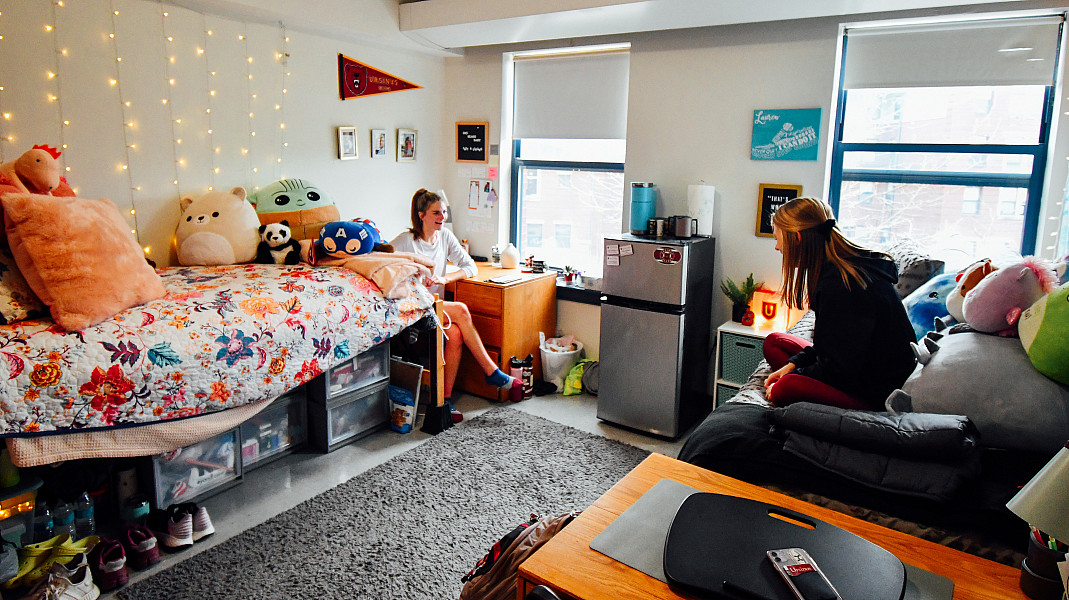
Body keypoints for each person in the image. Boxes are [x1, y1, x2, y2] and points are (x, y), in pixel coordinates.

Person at [762, 197, 916, 410]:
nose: (777, 247)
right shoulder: (837, 269)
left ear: (797, 239)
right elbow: (832, 347)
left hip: (874, 390)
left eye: (778, 239)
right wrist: (794, 363)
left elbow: (838, 369)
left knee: (784, 389)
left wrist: (794, 376)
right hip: (857, 366)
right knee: (775, 343)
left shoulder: (843, 286)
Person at [391, 189, 521, 421]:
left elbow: (469, 266)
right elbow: (383, 262)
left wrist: (444, 279)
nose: (442, 217)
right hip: (414, 309)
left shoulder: (445, 237)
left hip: (435, 308)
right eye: (436, 213)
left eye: (444, 212)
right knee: (460, 309)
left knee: (456, 334)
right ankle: (491, 371)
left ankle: (445, 400)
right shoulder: (406, 241)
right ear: (421, 215)